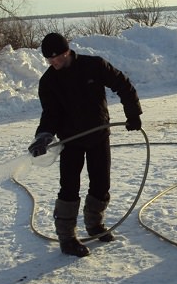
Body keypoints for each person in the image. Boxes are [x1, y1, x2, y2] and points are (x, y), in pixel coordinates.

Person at [28, 33, 143, 257]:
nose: (54, 63)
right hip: (70, 141)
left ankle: (94, 224)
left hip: (98, 135)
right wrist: (43, 136)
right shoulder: (49, 82)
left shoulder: (94, 65)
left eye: (57, 58)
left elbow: (123, 85)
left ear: (67, 52)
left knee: (101, 184)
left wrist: (133, 113)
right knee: (69, 188)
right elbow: (50, 115)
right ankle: (67, 238)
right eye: (49, 60)